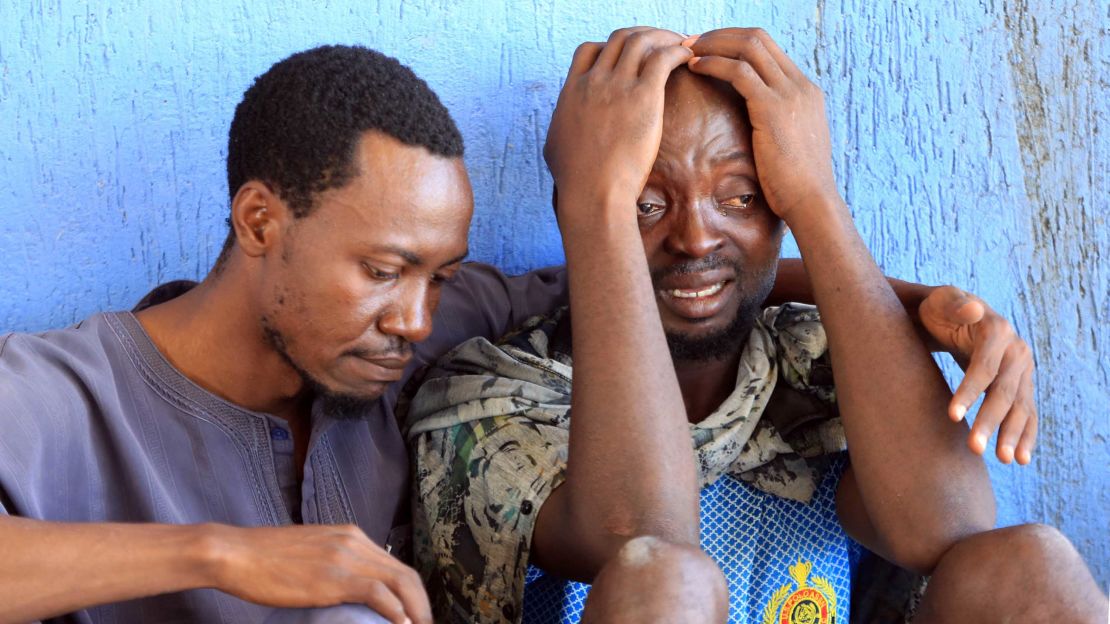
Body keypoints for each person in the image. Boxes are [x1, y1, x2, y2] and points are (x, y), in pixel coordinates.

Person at [0, 42, 1044, 624]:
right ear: (261, 222)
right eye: (383, 270)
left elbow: (673, 281)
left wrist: (926, 304)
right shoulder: (53, 392)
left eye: (439, 274)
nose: (416, 317)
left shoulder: (411, 330)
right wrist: (226, 557)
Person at [404, 27, 1107, 623]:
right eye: (646, 206)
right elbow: (645, 535)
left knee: (1030, 561)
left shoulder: (812, 358)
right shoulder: (496, 394)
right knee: (665, 578)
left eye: (741, 195)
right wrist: (592, 201)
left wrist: (816, 196)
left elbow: (948, 527)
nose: (697, 238)